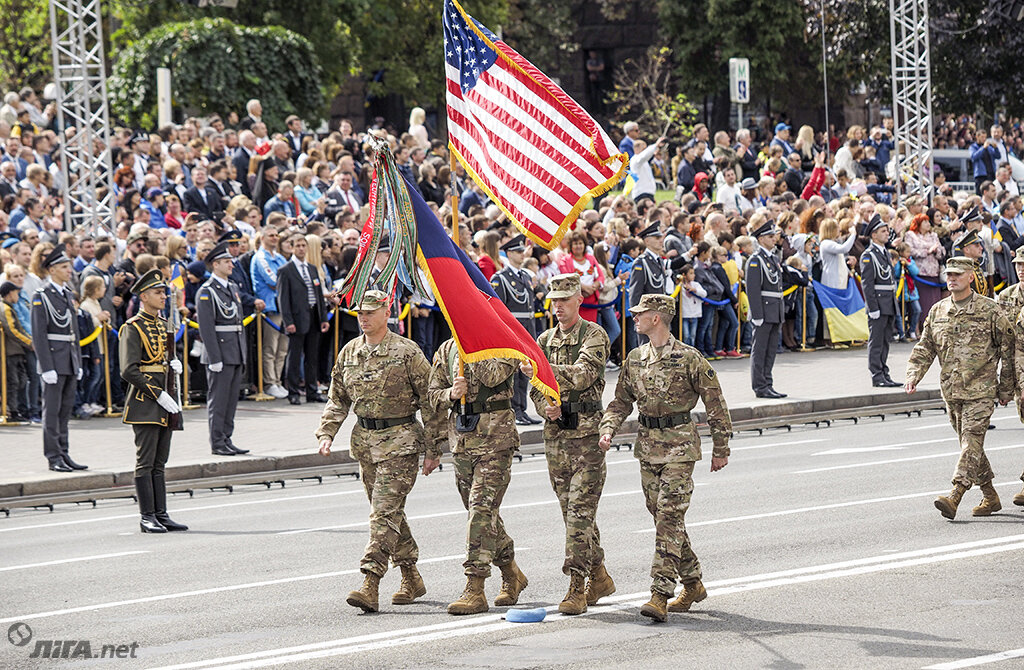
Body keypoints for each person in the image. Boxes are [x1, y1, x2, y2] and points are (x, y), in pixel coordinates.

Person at [598, 293, 731, 622]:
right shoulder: (635, 358)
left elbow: (715, 402)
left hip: (680, 447)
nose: (635, 318)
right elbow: (620, 401)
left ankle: (660, 593)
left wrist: (721, 447)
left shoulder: (689, 358)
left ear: (656, 317)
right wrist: (608, 428)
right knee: (663, 518)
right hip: (648, 447)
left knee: (669, 517)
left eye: (640, 314)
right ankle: (694, 582)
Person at [316, 289, 443, 613]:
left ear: (388, 313)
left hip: (400, 442)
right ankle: (411, 575)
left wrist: (433, 448)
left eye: (371, 312)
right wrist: (327, 432)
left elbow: (430, 400)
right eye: (361, 313)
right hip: (366, 445)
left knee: (382, 514)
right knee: (390, 513)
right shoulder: (350, 352)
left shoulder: (406, 351)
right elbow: (338, 397)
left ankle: (370, 581)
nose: (364, 318)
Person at [522, 273, 614, 615]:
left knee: (578, 514)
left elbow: (584, 373)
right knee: (574, 514)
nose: (558, 307)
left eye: (564, 300)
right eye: (554, 301)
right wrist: (542, 406)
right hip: (557, 437)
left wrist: (539, 367)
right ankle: (600, 574)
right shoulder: (544, 338)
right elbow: (535, 387)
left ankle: (576, 585)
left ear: (579, 299)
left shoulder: (594, 334)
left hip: (588, 437)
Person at [905, 257, 1013, 520]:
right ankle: (989, 495)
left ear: (971, 277)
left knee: (971, 441)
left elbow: (1008, 347)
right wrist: (913, 375)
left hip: (982, 390)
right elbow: (925, 347)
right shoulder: (938, 310)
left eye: (957, 274)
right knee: (970, 446)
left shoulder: (990, 310)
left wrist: (1006, 387)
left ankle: (956, 494)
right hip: (952, 392)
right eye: (948, 274)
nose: (951, 278)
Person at [428, 337, 527, 616]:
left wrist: (472, 346)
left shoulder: (502, 342)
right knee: (482, 515)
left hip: (496, 439)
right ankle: (511, 571)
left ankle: (475, 586)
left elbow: (493, 375)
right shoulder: (446, 349)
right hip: (461, 441)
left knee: (481, 511)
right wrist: (449, 393)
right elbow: (432, 393)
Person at [118, 269, 188, 533]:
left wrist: (173, 366)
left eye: (163, 292)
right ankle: (147, 516)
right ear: (144, 296)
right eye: (158, 293)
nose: (163, 296)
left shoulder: (162, 325)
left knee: (160, 462)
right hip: (145, 400)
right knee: (145, 461)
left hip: (166, 396)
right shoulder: (132, 327)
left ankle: (161, 513)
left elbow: (161, 359)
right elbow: (128, 369)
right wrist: (157, 393)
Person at [31, 244, 86, 472]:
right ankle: (53, 456)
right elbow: (39, 334)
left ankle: (64, 452)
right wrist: (46, 367)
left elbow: (73, 332)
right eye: (64, 267)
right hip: (53, 360)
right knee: (51, 412)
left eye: (69, 266)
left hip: (69, 359)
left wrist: (78, 363)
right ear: (52, 269)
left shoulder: (67, 295)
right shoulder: (41, 296)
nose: (69, 271)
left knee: (65, 411)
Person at [196, 241, 249, 456]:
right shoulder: (207, 291)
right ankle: (217, 441)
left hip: (235, 350)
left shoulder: (233, 288)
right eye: (227, 262)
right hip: (220, 353)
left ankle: (227, 437)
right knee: (218, 400)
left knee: (230, 400)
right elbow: (207, 327)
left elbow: (238, 323)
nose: (231, 265)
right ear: (215, 264)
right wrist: (214, 357)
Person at [490, 234, 541, 426]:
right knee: (513, 372)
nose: (522, 255)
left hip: (527, 329)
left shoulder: (525, 277)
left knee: (525, 371)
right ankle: (514, 410)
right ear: (509, 253)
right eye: (518, 252)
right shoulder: (500, 278)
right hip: (512, 332)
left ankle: (523, 409)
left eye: (522, 251)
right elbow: (499, 310)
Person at [277, 233, 329, 405]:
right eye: (297, 245)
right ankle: (293, 391)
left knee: (311, 357)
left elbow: (318, 295)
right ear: (291, 247)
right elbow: (283, 299)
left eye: (303, 245)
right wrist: (288, 321)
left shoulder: (312, 269)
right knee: (294, 356)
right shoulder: (286, 270)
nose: (301, 248)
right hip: (297, 319)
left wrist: (323, 317)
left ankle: (312, 390)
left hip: (313, 317)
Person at [860, 215, 901, 387]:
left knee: (885, 341)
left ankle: (884, 372)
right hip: (878, 303)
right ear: (874, 235)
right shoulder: (868, 255)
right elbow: (868, 284)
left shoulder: (884, 252)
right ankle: (877, 375)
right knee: (876, 342)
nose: (887, 234)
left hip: (889, 303)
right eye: (883, 231)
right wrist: (872, 307)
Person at [746, 221, 786, 398]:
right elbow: (753, 290)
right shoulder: (756, 260)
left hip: (774, 311)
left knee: (770, 351)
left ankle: (768, 383)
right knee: (760, 350)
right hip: (763, 311)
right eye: (770, 237)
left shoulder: (773, 258)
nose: (774, 239)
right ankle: (760, 386)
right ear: (761, 239)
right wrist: (757, 314)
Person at [628, 222, 671, 347]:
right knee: (647, 354)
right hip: (647, 316)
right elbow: (635, 293)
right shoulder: (641, 263)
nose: (660, 241)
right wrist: (637, 317)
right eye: (656, 238)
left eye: (660, 237)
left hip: (660, 315)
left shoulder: (658, 261)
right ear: (647, 241)